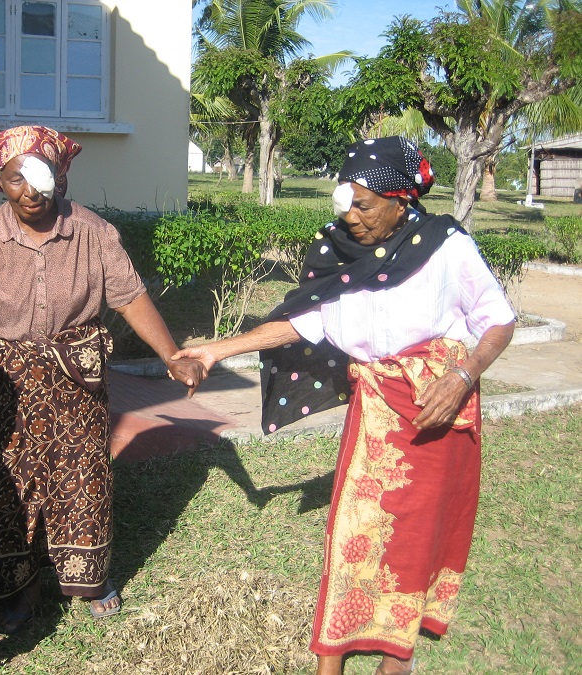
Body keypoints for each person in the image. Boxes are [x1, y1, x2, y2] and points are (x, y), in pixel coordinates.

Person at [173, 137, 516, 675]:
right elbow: (299, 320)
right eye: (345, 203)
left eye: (364, 205)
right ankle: (330, 660)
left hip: (437, 411)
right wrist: (217, 350)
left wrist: (464, 375)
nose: (351, 218)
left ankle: (395, 657)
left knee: (416, 535)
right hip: (377, 411)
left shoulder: (446, 247)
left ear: (402, 199)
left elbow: (499, 318)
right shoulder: (340, 251)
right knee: (353, 533)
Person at [0, 125, 202, 633]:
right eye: (16, 180)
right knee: (5, 481)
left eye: (40, 177)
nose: (30, 192)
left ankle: (87, 577)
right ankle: (16, 583)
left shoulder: (93, 233)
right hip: (3, 384)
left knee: (83, 477)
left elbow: (128, 297)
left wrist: (170, 355)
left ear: (59, 176)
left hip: (74, 378)